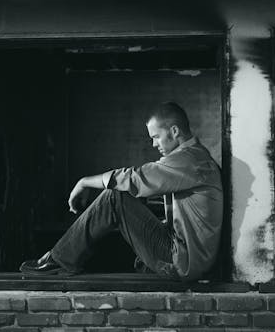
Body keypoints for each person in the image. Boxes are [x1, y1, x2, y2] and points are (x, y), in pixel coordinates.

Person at [20, 102, 223, 281]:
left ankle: (59, 260)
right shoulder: (194, 158)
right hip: (187, 258)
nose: (154, 144)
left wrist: (83, 182)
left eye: (156, 137)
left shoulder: (190, 160)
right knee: (133, 195)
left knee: (115, 195)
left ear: (175, 131)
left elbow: (135, 178)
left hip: (184, 264)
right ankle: (69, 259)